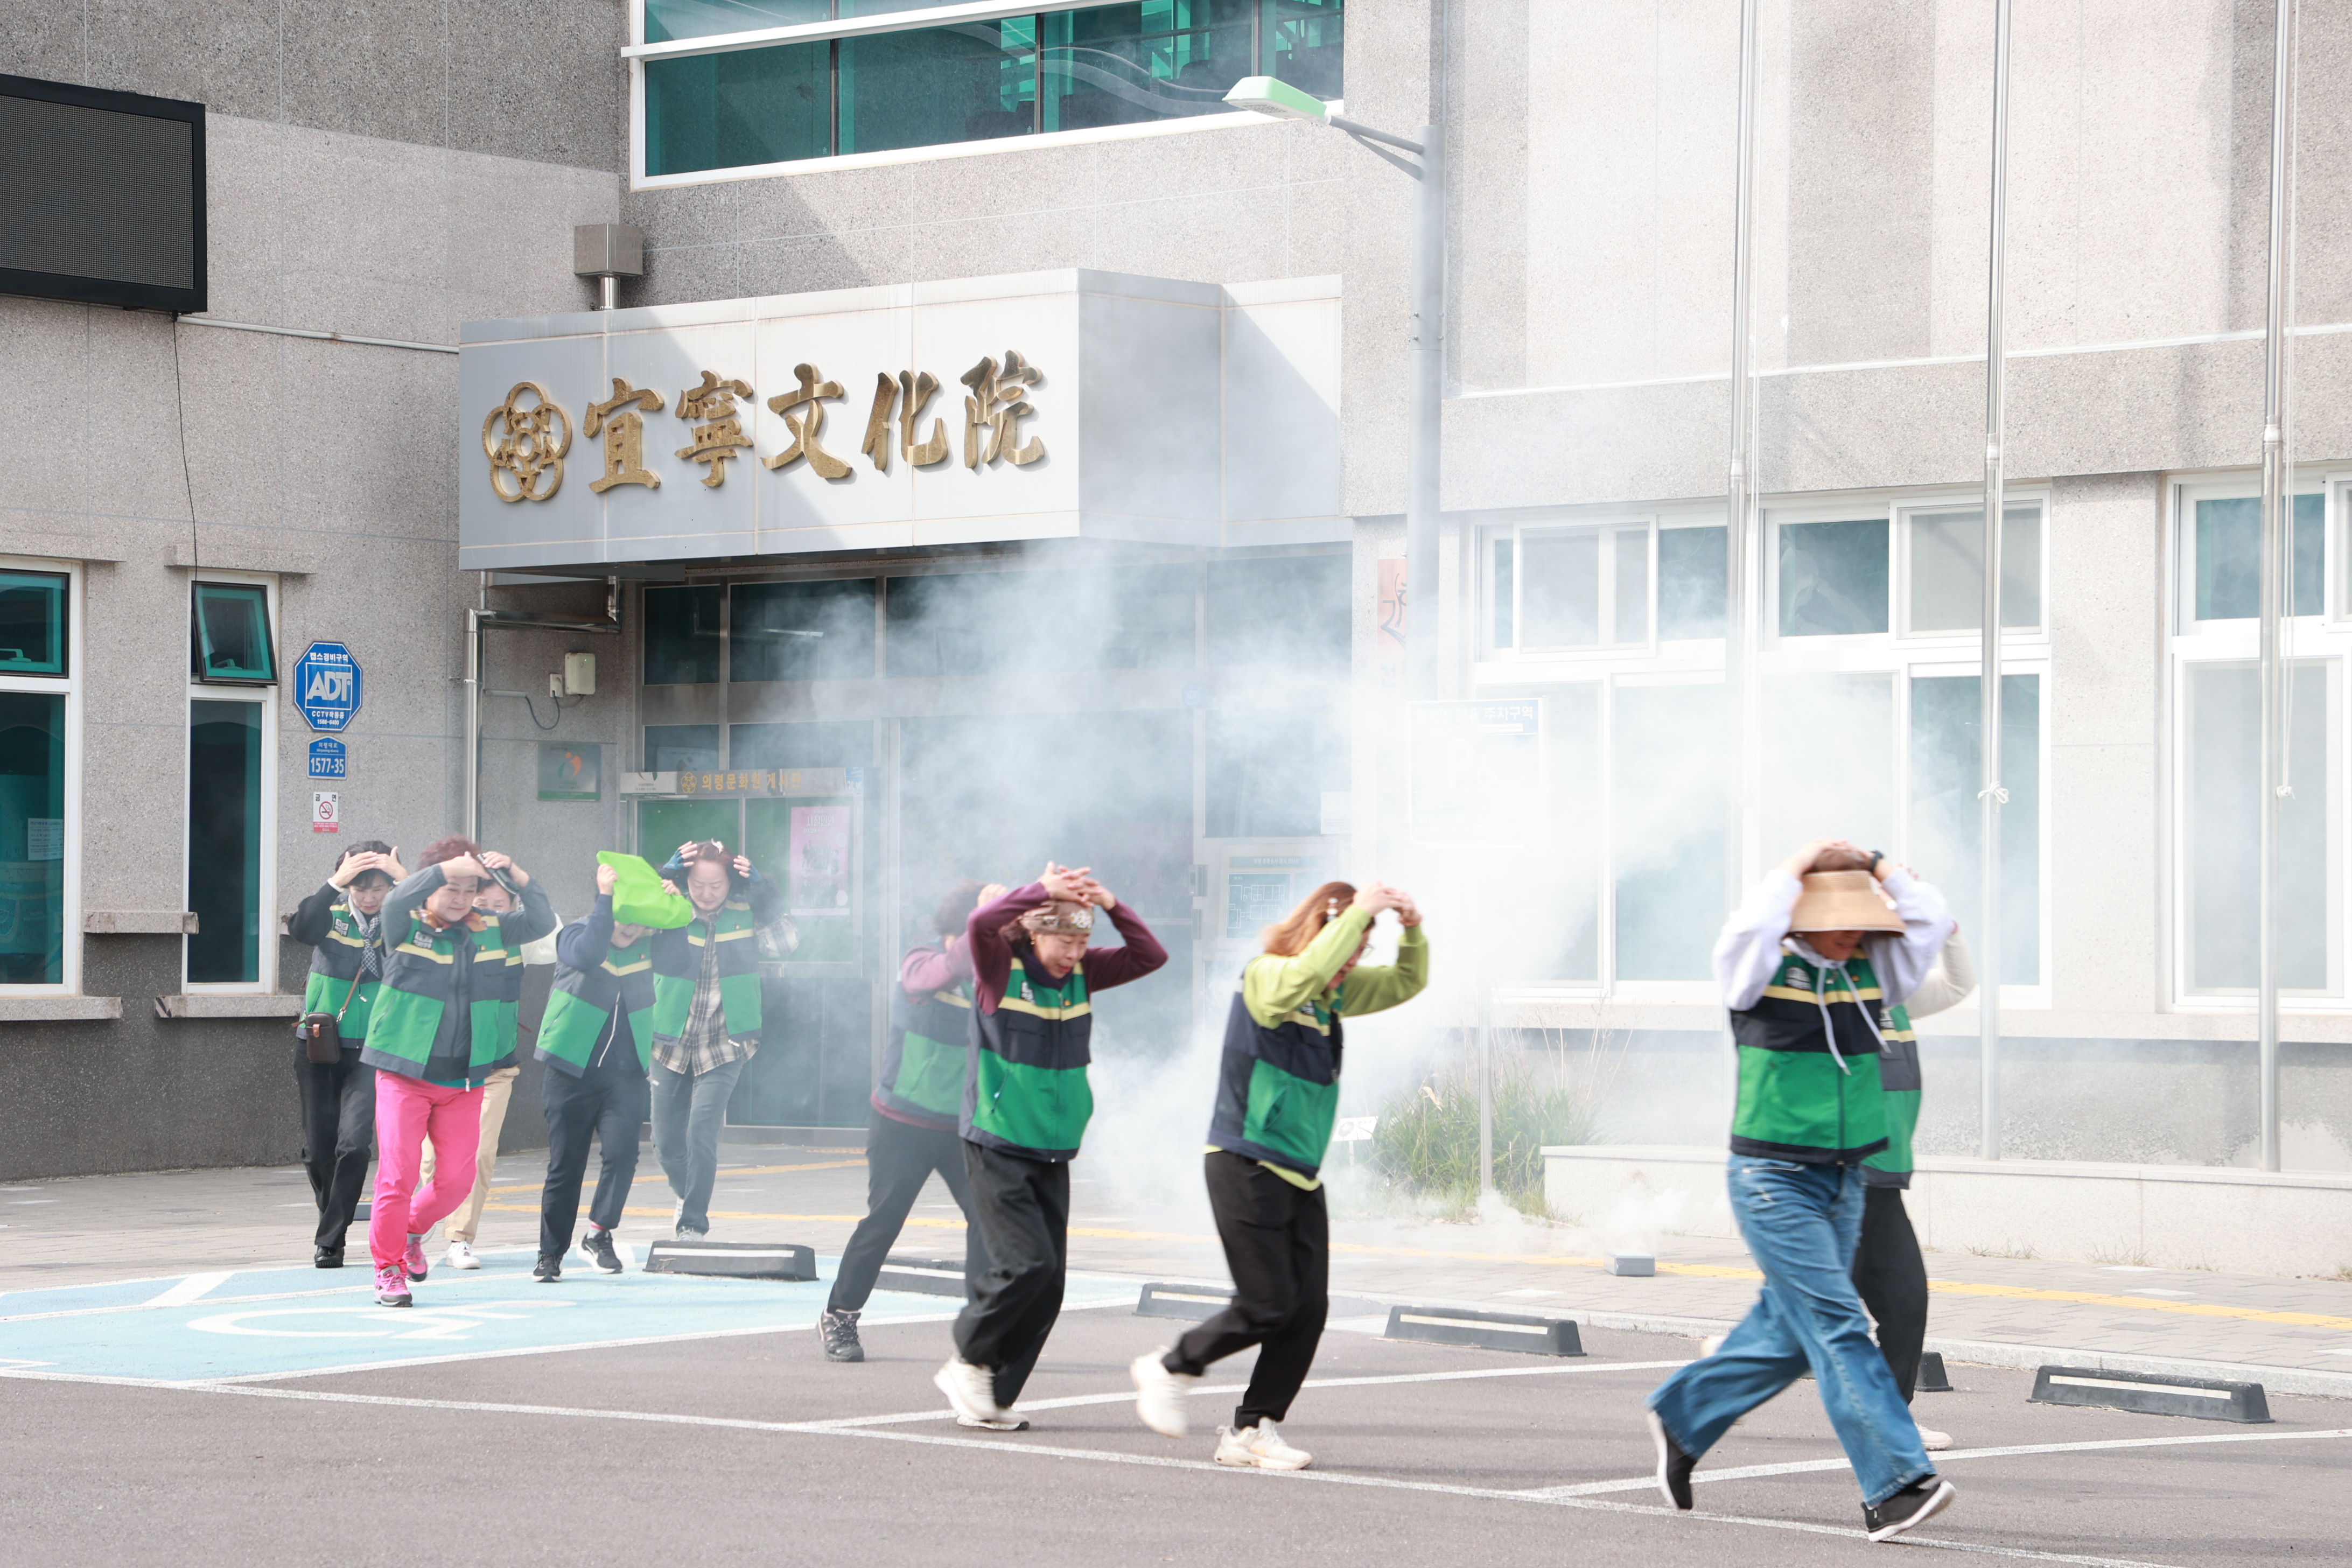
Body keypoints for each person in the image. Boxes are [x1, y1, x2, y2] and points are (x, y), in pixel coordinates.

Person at [1644, 838, 1957, 1543]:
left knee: (1791, 1334)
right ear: (1800, 915)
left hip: (1846, 1178)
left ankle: (1682, 1415)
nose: (1852, 930)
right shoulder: (1756, 972)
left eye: (1861, 917)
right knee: (1841, 1325)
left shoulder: (1872, 973)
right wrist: (1799, 864)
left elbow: (1932, 921)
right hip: (1772, 1180)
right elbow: (1748, 926)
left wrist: (1877, 865)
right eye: (1836, 915)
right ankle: (1896, 1486)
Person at [1131, 878, 1429, 1471]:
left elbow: (1405, 982)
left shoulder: (1329, 998)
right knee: (1267, 1302)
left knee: (1308, 1307)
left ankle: (1251, 1429)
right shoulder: (1266, 975)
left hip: (1299, 1174)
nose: (1352, 964)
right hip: (1245, 1160)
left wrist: (1413, 931)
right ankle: (1172, 1364)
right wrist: (1355, 919)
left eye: (1359, 953)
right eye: (1347, 948)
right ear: (1321, 931)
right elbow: (1299, 977)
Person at [934, 864, 1167, 1431]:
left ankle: (993, 1393)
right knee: (1027, 1263)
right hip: (999, 1140)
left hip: (1054, 1148)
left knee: (1051, 1283)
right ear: (1035, 932)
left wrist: (1109, 900)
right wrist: (1045, 890)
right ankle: (967, 1356)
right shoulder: (999, 969)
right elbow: (980, 922)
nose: (1074, 951)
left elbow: (1150, 954)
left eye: (1083, 940)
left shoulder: (1085, 974)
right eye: (1064, 937)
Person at [359, 837, 555, 1307]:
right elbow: (403, 894)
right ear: (431, 885)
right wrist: (446, 869)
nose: (462, 899)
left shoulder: (490, 927)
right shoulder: (402, 921)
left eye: (470, 890)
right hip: (404, 1074)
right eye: (453, 888)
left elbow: (541, 921)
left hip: (464, 1080)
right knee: (398, 1176)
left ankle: (411, 1231)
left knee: (455, 1183)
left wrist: (517, 873)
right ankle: (388, 1269)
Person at [819, 879, 1006, 1363]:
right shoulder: (922, 963)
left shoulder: (991, 978)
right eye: (986, 928)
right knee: (884, 1220)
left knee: (985, 1222)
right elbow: (945, 970)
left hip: (962, 1129)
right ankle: (839, 1316)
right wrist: (985, 920)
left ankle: (980, 1331)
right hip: (901, 1123)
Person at [1854, 926, 1975, 1452]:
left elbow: (1956, 986)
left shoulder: (1896, 996)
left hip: (1885, 1185)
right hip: (1843, 1181)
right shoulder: (1834, 998)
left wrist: (1950, 935)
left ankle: (1891, 1418)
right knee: (1815, 1316)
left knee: (1906, 1305)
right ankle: (1723, 1370)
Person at [531, 859, 669, 1283]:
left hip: (625, 1074)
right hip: (571, 1071)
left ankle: (599, 1233)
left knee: (624, 1153)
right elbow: (589, 954)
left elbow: (683, 961)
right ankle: (549, 1253)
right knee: (566, 1165)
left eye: (637, 917)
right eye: (620, 915)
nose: (628, 926)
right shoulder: (577, 933)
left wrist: (672, 912)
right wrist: (606, 900)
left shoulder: (651, 947)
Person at [649, 840, 786, 1241]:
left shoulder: (746, 913)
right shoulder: (670, 907)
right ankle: (685, 1192)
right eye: (698, 885)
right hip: (667, 1038)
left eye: (717, 886)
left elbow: (785, 942)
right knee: (665, 1142)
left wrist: (765, 895)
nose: (707, 895)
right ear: (685, 879)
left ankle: (693, 1222)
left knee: (701, 1131)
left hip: (725, 1041)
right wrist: (662, 877)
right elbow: (626, 917)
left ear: (732, 883)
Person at [288, 841, 403, 1268]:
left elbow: (442, 924)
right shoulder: (331, 915)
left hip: (374, 1049)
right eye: (361, 886)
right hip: (320, 1044)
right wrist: (335, 882)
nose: (371, 897)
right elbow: (301, 929)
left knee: (354, 1145)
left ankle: (331, 1240)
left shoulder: (401, 919)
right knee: (319, 1150)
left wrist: (404, 878)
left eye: (380, 887)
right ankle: (332, 1215)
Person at [422, 873, 528, 1270]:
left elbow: (547, 920)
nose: (489, 914)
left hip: (496, 1068)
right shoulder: (446, 938)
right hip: (444, 1069)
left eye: (499, 907)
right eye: (480, 906)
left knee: (479, 1155)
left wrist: (517, 874)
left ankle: (460, 1238)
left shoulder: (516, 938)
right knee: (432, 1162)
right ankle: (424, 1212)